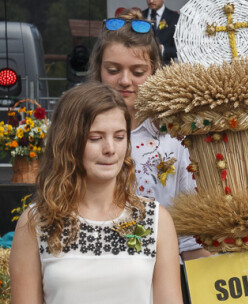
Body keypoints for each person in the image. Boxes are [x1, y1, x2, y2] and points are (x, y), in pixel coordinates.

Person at [9, 82, 182, 303]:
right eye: (95, 138)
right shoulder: (36, 223)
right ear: (68, 142)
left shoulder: (155, 220)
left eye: (119, 137)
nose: (110, 148)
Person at [88, 9, 210, 303]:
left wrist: (214, 286)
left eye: (137, 71)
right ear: (98, 69)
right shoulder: (78, 130)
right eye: (113, 70)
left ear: (155, 70)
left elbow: (189, 231)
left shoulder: (176, 136)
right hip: (94, 270)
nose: (125, 81)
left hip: (162, 277)